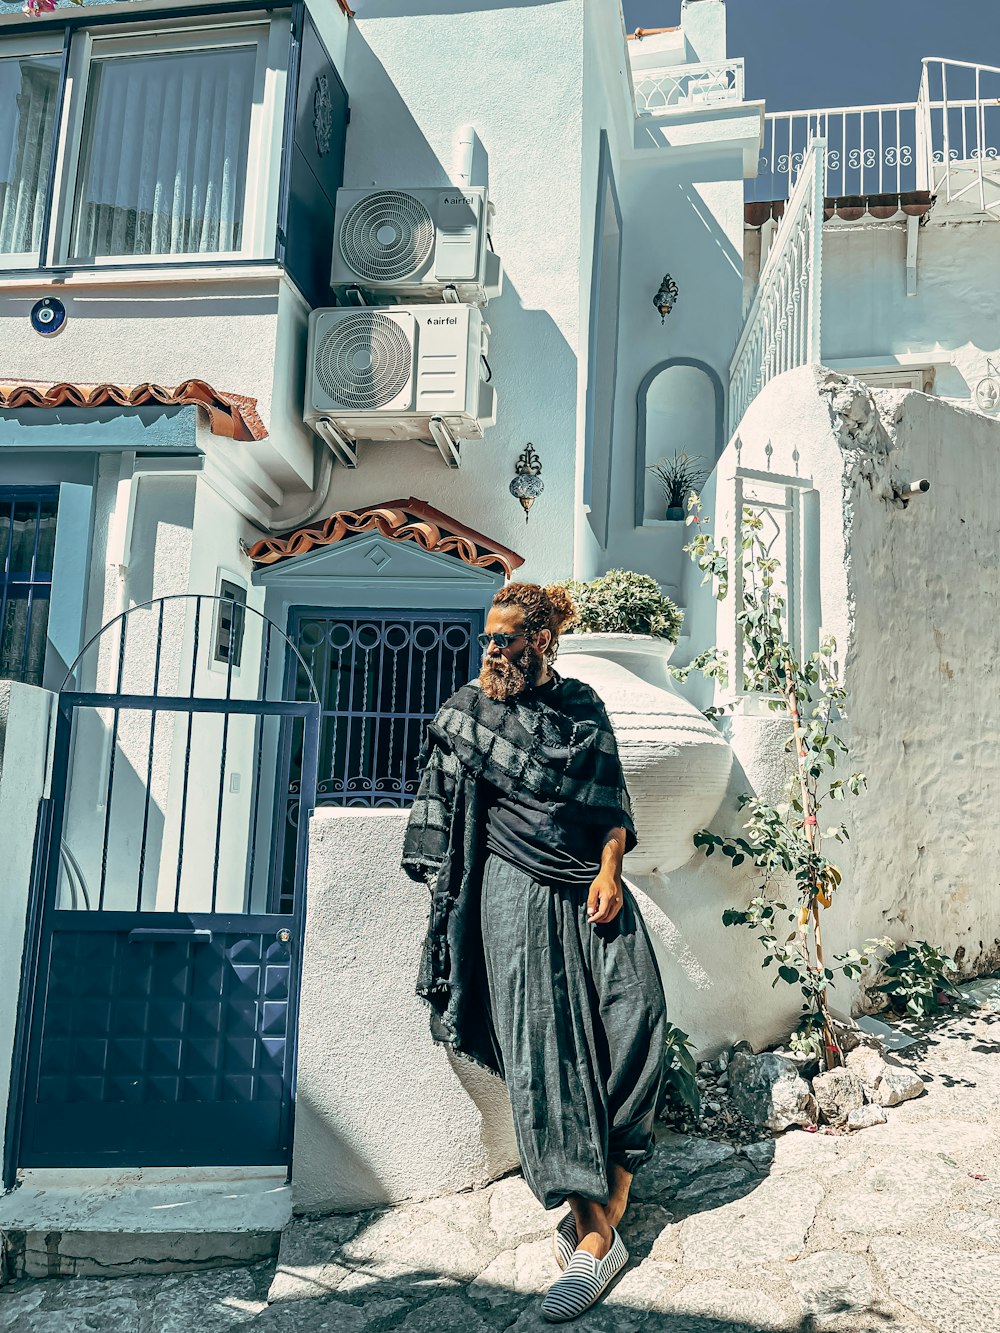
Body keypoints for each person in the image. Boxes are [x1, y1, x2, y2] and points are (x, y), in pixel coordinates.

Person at [403, 582, 667, 1322]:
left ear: (542, 641)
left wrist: (612, 866)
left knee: (638, 1013)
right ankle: (591, 1238)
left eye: (505, 638)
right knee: (545, 1054)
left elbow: (613, 807)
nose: (489, 649)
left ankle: (607, 1204)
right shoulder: (470, 711)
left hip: (591, 882)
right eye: (486, 637)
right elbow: (440, 806)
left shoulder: (583, 708)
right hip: (511, 891)